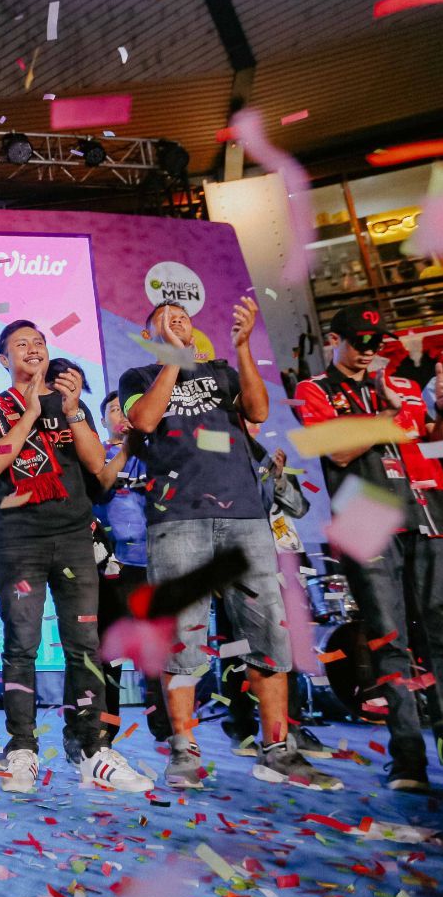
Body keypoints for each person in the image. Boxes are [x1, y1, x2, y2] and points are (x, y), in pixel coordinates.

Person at [120, 298, 341, 791]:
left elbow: (259, 410)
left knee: (268, 636)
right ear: (150, 335)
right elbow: (146, 422)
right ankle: (184, 752)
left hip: (244, 518)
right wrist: (174, 359)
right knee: (182, 639)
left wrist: (241, 348)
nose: (178, 321)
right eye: (164, 319)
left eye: (184, 318)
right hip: (177, 522)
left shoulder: (221, 372)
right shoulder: (137, 377)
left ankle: (277, 749)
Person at [0, 322, 152, 794]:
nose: (33, 350)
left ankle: (92, 748)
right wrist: (30, 413)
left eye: (39, 343)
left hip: (75, 539)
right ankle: (23, 748)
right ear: (2, 358)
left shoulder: (73, 405)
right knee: (22, 646)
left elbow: (100, 470)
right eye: (20, 345)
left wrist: (72, 411)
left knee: (84, 645)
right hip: (18, 543)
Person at [295, 305, 443, 790]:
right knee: (389, 640)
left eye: (376, 342)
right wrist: (384, 415)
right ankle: (408, 761)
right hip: (363, 514)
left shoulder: (401, 385)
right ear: (334, 339)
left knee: (439, 638)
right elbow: (336, 450)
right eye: (359, 341)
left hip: (424, 511)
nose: (368, 351)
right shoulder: (315, 388)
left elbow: (424, 436)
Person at [220, 440, 328, 760]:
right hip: (237, 562)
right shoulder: (212, 455)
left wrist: (279, 478)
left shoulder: (267, 457)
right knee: (238, 647)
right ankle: (240, 725)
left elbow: (299, 507)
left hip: (283, 558)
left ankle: (290, 725)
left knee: (289, 647)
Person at [89, 391, 171, 750]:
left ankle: (168, 728)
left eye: (127, 408)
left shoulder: (157, 454)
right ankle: (105, 732)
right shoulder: (97, 458)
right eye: (112, 409)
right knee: (112, 655)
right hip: (114, 567)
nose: (121, 414)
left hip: (158, 562)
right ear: (103, 420)